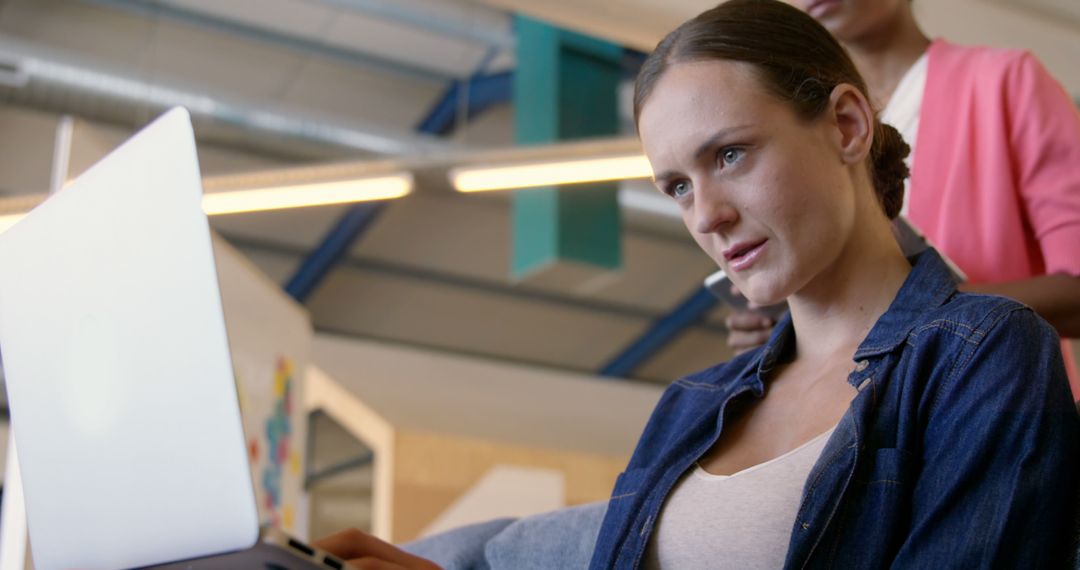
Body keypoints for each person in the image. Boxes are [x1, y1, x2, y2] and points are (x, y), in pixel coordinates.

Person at [314, 1, 1080, 567]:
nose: (707, 215)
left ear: (847, 127)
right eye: (677, 186)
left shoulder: (981, 355)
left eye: (732, 155)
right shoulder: (694, 405)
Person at [727, 0, 1080, 396]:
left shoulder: (1005, 82)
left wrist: (900, 307)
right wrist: (794, 332)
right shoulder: (797, 128)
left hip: (996, 404)